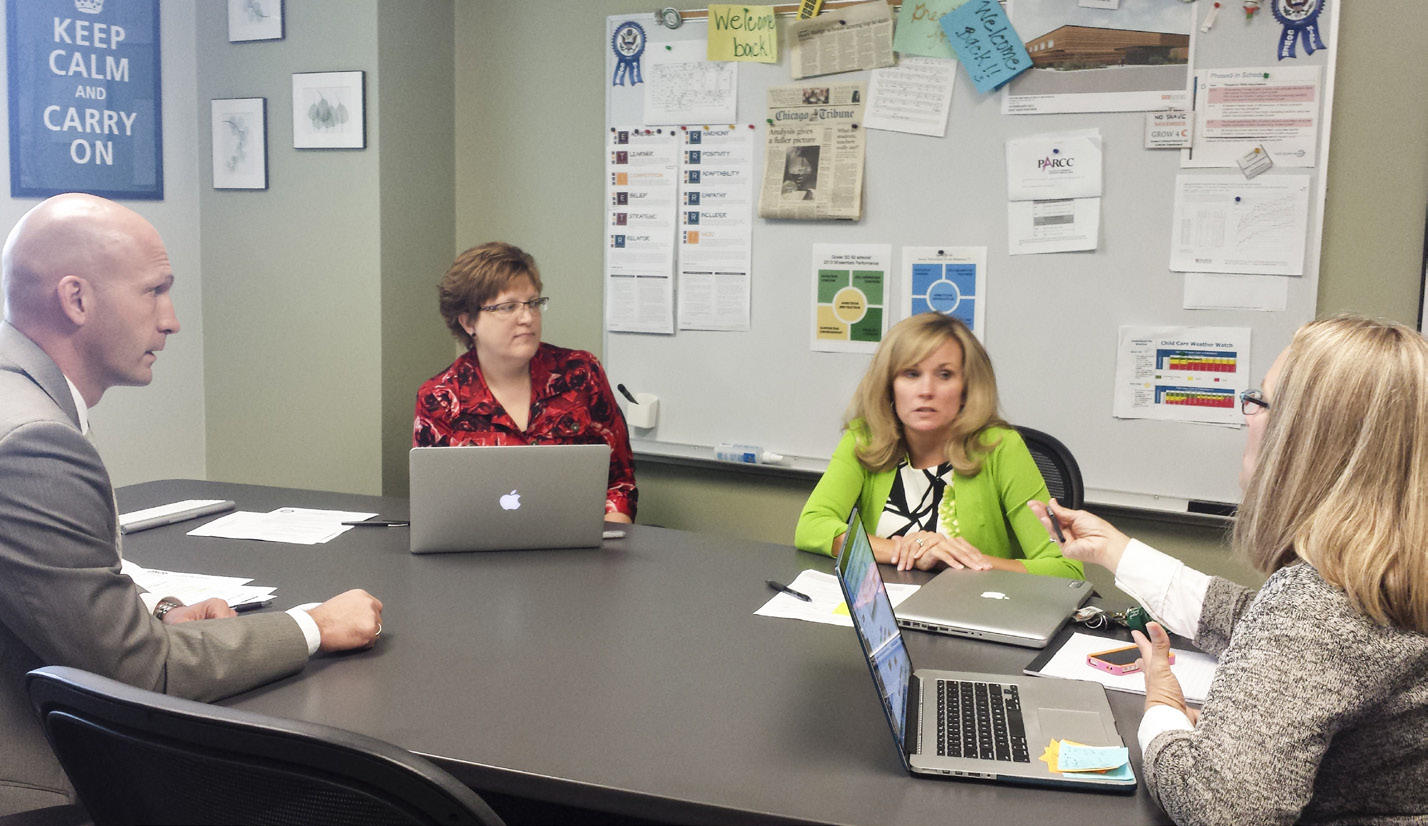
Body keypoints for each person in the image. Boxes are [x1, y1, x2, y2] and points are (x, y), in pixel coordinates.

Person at [0, 193, 385, 816]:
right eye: (154, 291)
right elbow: (139, 672)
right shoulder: (31, 441)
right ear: (76, 300)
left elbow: (45, 579)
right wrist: (312, 626)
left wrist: (158, 606)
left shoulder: (20, 397)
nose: (172, 320)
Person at [1032, 315, 1428, 824]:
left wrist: (1164, 715)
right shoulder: (1388, 572)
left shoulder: (1319, 607)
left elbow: (1224, 812)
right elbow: (1255, 619)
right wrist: (1116, 551)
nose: (1247, 414)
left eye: (1260, 401)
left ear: (1305, 437)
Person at [795, 313, 1081, 579]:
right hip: (887, 612)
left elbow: (1066, 568)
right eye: (911, 373)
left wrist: (955, 559)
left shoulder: (1000, 448)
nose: (926, 391)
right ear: (889, 385)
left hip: (975, 616)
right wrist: (909, 550)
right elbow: (812, 527)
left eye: (944, 375)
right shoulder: (867, 439)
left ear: (967, 388)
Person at [413, 242, 636, 523]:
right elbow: (435, 508)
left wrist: (609, 540)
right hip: (480, 555)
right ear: (469, 322)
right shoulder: (440, 398)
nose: (528, 318)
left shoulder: (580, 373)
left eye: (533, 303)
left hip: (577, 550)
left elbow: (619, 483)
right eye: (508, 307)